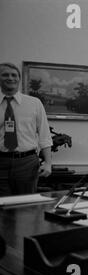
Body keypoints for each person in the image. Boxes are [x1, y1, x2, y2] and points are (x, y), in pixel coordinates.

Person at [0, 63, 52, 196]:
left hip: (27, 163)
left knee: (26, 207)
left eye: (14, 75)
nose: (10, 78)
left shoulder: (34, 103)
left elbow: (44, 135)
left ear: (19, 78)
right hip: (1, 162)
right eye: (5, 74)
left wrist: (48, 163)